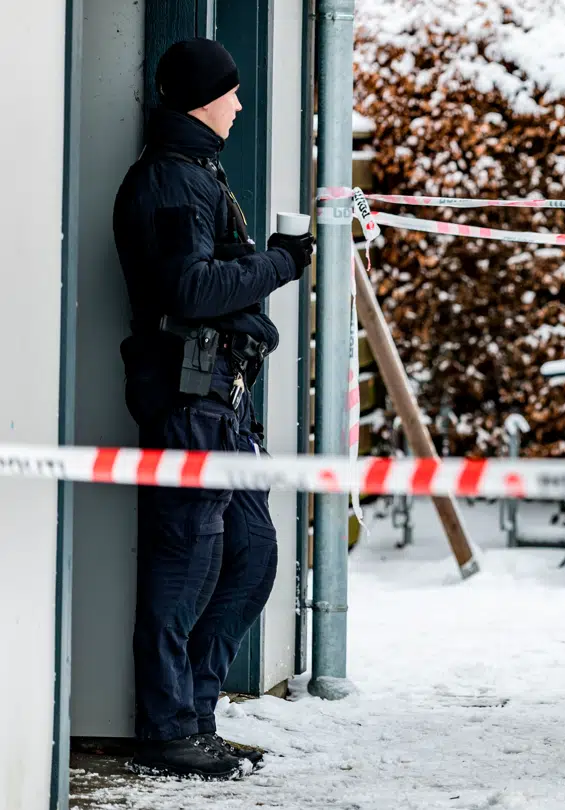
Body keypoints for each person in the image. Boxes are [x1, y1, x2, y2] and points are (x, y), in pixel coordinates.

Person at [112, 37, 313, 779]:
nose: (238, 103)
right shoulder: (168, 183)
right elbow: (190, 292)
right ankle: (167, 731)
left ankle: (196, 717)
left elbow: (209, 279)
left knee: (251, 555)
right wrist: (281, 263)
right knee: (184, 565)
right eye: (229, 92)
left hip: (222, 403)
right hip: (187, 400)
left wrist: (260, 267)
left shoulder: (198, 173)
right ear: (201, 97)